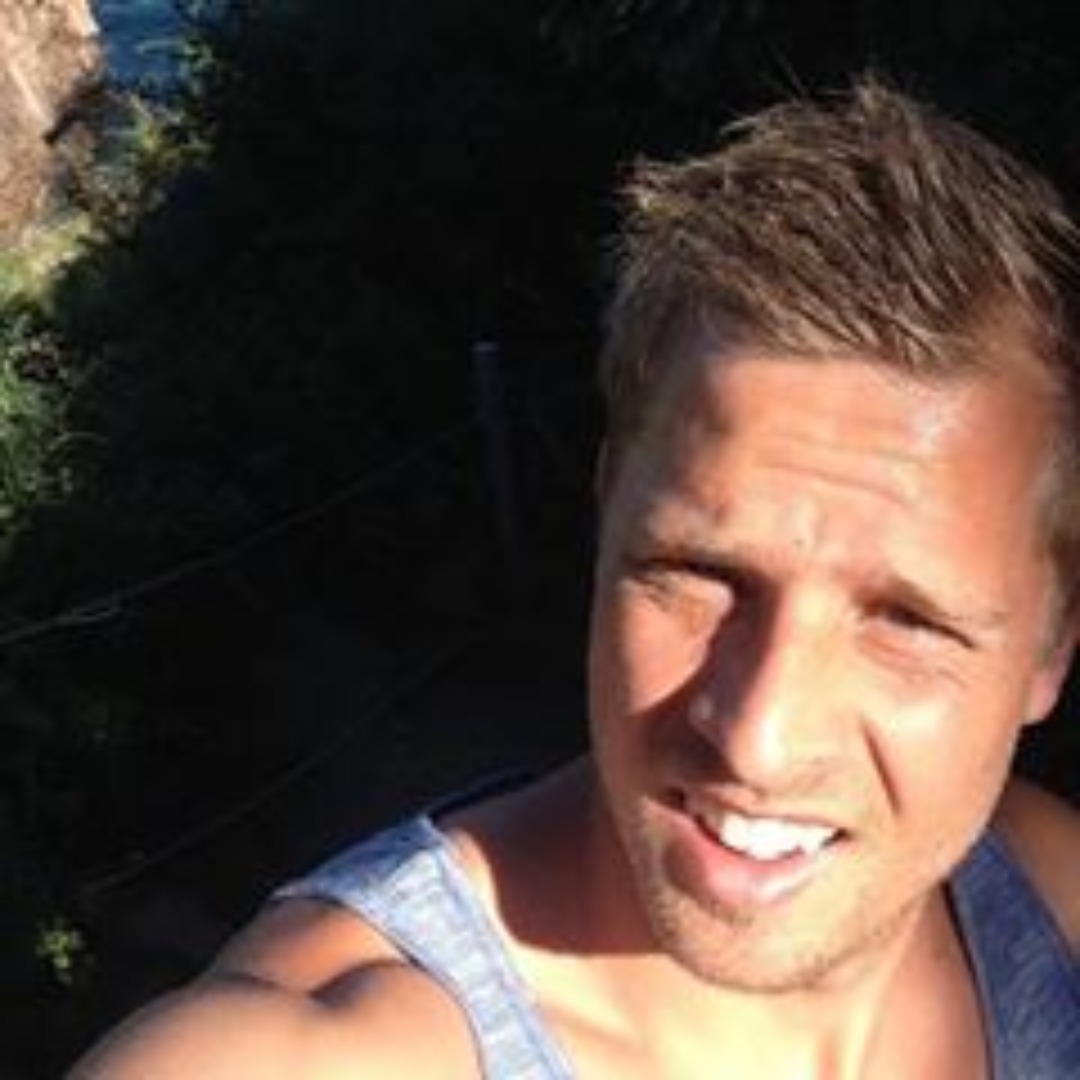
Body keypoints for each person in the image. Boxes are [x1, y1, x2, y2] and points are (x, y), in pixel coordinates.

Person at [70, 78, 1080, 1079]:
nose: (760, 740)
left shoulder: (1046, 894)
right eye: (696, 571)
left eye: (908, 621)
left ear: (1053, 637)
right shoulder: (314, 1053)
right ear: (607, 511)